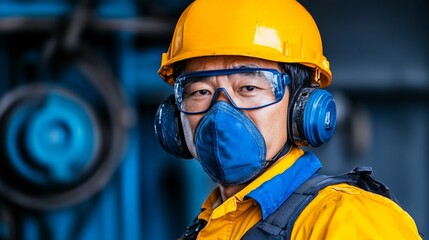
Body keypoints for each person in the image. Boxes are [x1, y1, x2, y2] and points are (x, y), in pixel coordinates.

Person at [154, 0, 424, 239]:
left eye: (248, 88)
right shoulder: (204, 230)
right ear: (175, 121)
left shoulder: (347, 220)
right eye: (200, 92)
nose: (220, 112)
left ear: (302, 107)